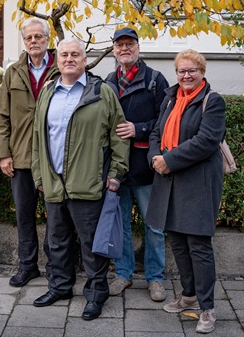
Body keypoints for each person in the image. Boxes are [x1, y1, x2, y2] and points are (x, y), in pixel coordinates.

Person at [31, 38, 129, 320]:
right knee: (57, 242)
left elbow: (119, 135)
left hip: (89, 184)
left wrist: (115, 175)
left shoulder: (102, 92)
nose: (69, 59)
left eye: (76, 54)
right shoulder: (48, 92)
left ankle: (96, 295)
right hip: (54, 183)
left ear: (85, 60)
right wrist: (39, 174)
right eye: (64, 55)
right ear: (57, 60)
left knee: (91, 245)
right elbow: (39, 137)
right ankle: (60, 286)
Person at [146, 49, 226, 334]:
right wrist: (155, 157)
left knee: (199, 245)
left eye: (192, 70)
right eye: (182, 70)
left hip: (198, 181)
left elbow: (207, 141)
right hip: (169, 179)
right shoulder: (170, 98)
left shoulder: (212, 101)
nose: (186, 75)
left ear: (202, 71)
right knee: (178, 241)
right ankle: (189, 296)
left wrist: (169, 160)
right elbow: (156, 132)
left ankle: (207, 309)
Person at [104, 27, 169, 300]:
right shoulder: (108, 81)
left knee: (153, 225)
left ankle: (155, 278)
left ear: (138, 47)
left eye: (129, 44)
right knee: (121, 226)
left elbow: (166, 121)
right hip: (118, 169)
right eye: (119, 45)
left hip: (145, 168)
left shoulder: (155, 80)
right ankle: (123, 274)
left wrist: (138, 129)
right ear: (114, 50)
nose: (124, 49)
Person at [0, 17, 60, 287]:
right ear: (24, 41)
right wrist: (3, 154)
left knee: (56, 217)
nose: (34, 41)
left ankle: (56, 267)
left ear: (48, 40)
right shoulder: (13, 72)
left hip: (53, 157)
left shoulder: (61, 69)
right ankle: (27, 266)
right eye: (29, 38)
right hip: (20, 157)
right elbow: (2, 117)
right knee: (24, 215)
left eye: (39, 37)